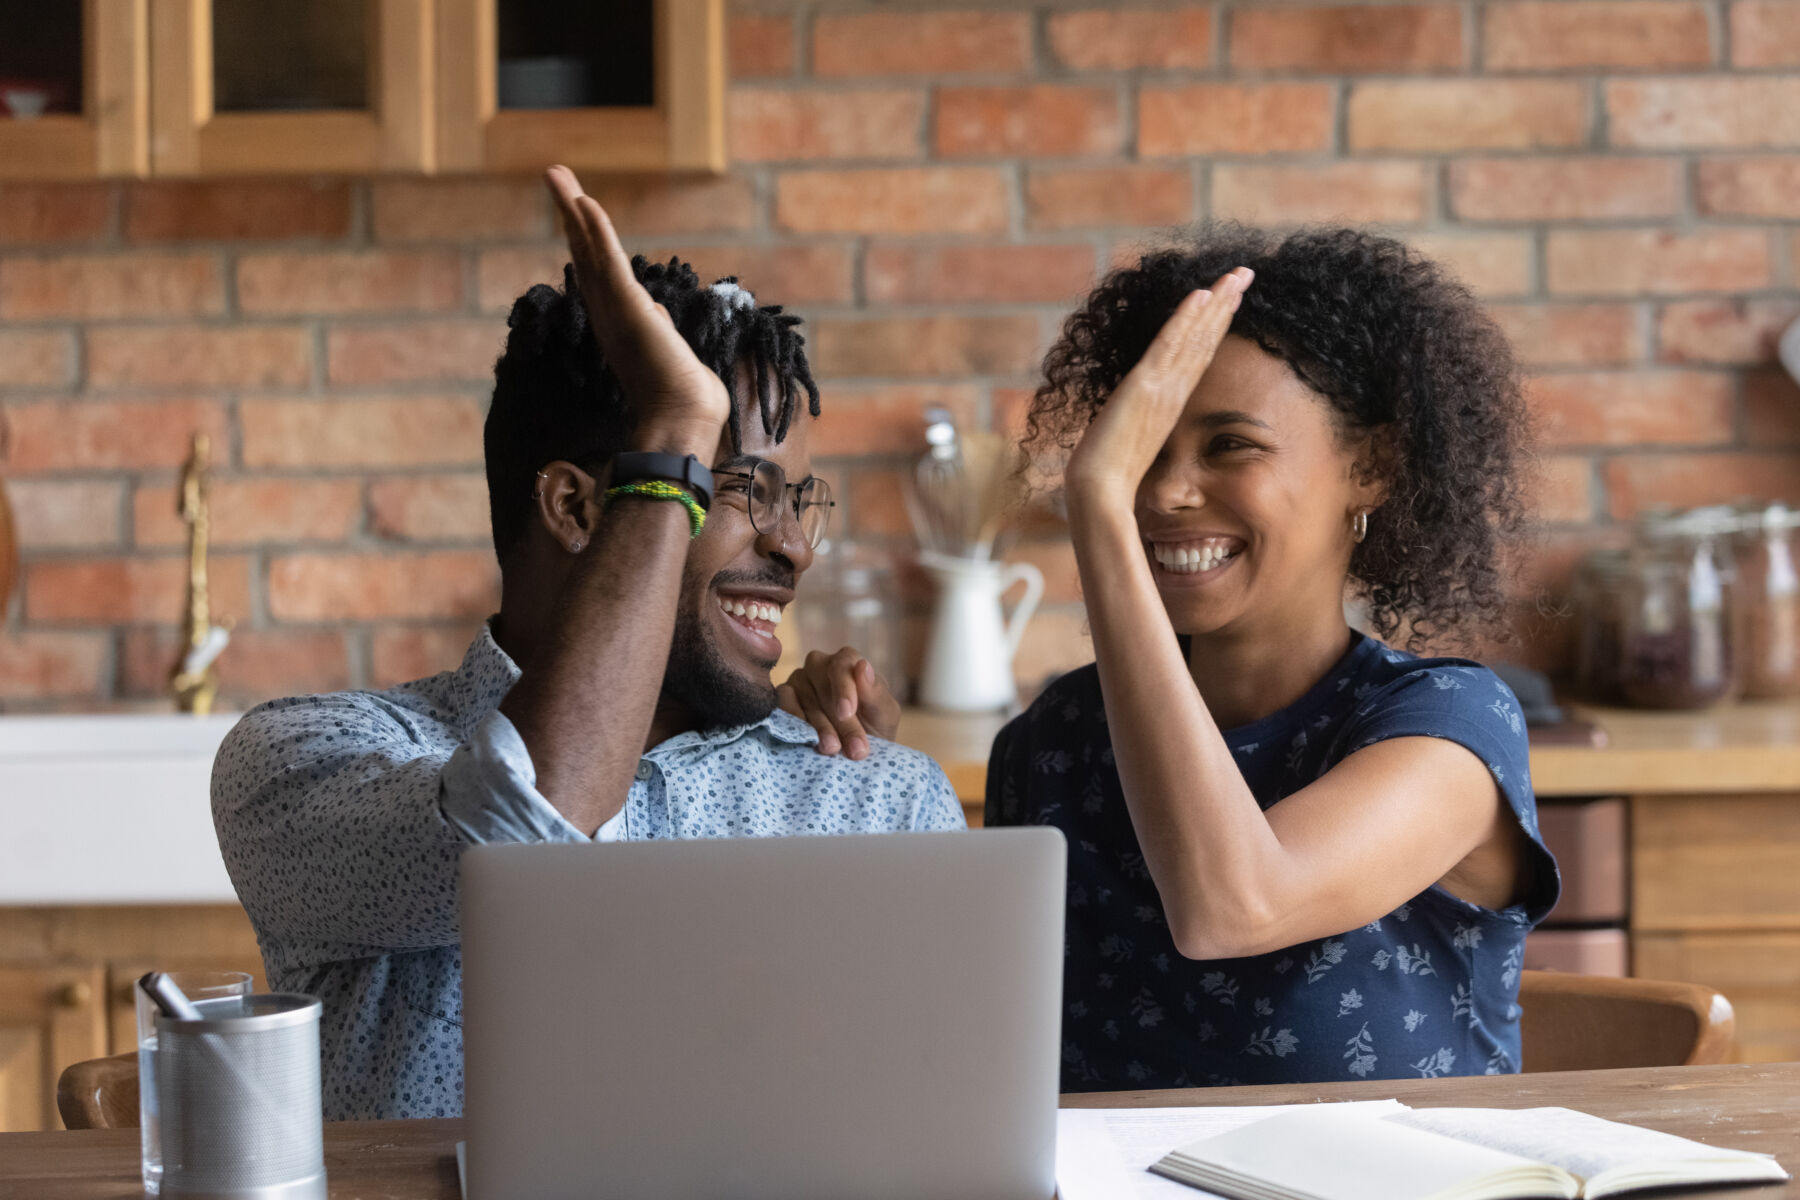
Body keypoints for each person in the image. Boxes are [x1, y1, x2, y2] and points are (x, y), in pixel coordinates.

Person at [213, 168, 963, 1121]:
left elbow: (937, 1125)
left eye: (797, 497)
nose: (796, 546)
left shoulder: (875, 796)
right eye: (738, 488)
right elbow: (532, 826)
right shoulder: (307, 763)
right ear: (576, 507)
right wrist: (672, 434)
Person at [782, 225, 1560, 1090]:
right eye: (1144, 450)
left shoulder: (1446, 732)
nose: (1163, 493)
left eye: (1231, 444)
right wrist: (861, 775)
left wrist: (1099, 502)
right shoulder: (1055, 741)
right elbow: (961, 1045)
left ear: (1370, 466)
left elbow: (1233, 906)